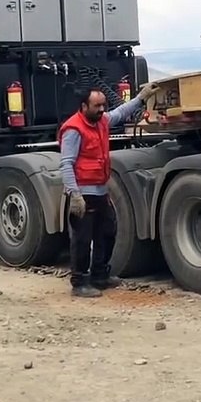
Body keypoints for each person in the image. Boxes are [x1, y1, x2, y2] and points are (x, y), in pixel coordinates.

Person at [59, 82, 160, 297]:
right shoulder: (73, 129)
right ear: (84, 106)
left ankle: (100, 275)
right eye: (97, 106)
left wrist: (141, 98)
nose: (102, 109)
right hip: (83, 194)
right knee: (82, 239)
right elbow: (66, 163)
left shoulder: (102, 121)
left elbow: (120, 112)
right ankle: (79, 282)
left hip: (101, 192)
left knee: (107, 233)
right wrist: (74, 195)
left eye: (103, 105)